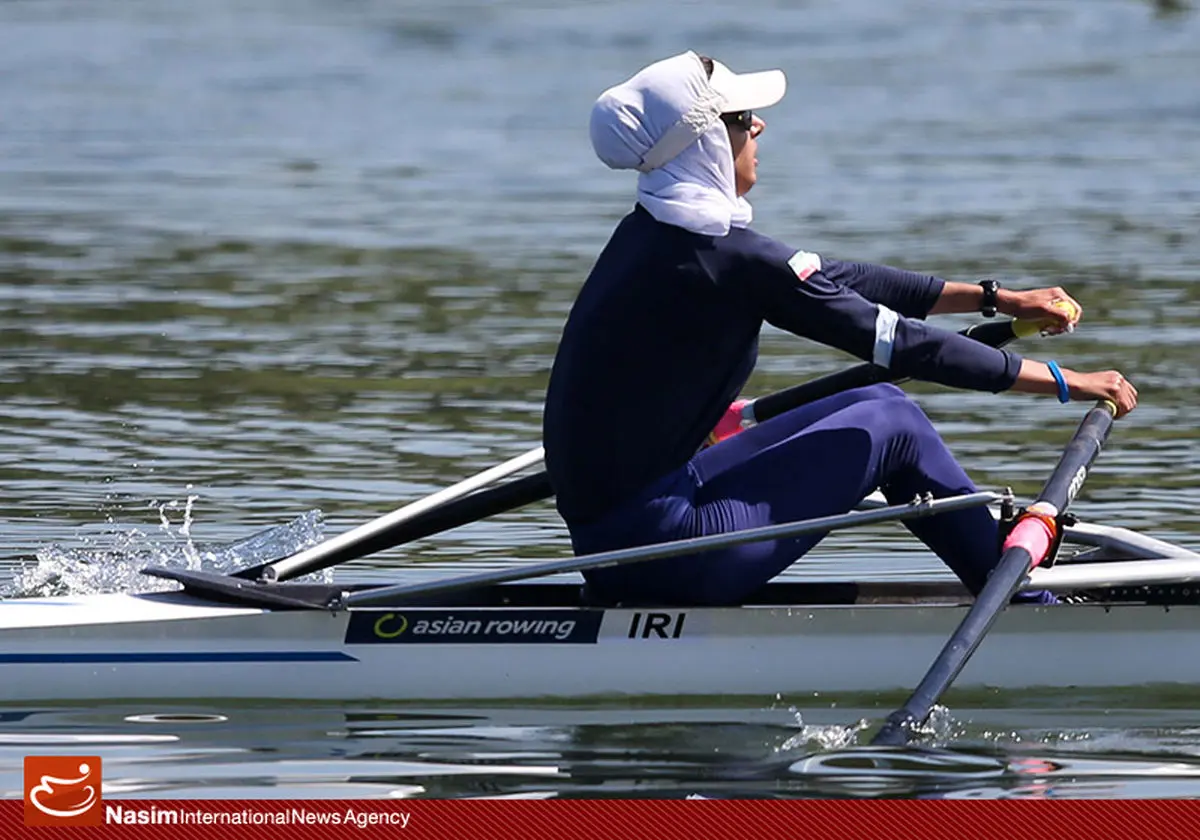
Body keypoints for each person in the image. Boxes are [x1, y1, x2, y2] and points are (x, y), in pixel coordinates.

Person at [541, 51, 1138, 607]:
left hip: (633, 532)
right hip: (660, 556)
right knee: (897, 427)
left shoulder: (656, 235)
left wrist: (994, 298)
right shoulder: (724, 260)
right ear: (706, 143)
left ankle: (1001, 577)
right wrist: (1069, 382)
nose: (759, 127)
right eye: (743, 119)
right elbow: (903, 345)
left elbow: (835, 278)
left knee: (880, 400)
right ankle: (1025, 607)